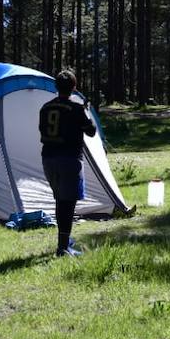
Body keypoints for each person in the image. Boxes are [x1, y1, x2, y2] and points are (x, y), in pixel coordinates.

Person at [39, 70, 97, 257]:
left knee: (60, 200)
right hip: (69, 159)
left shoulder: (45, 108)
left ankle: (63, 241)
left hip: (48, 158)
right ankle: (63, 248)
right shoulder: (77, 108)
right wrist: (86, 112)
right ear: (74, 87)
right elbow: (91, 131)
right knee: (68, 203)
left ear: (56, 86)